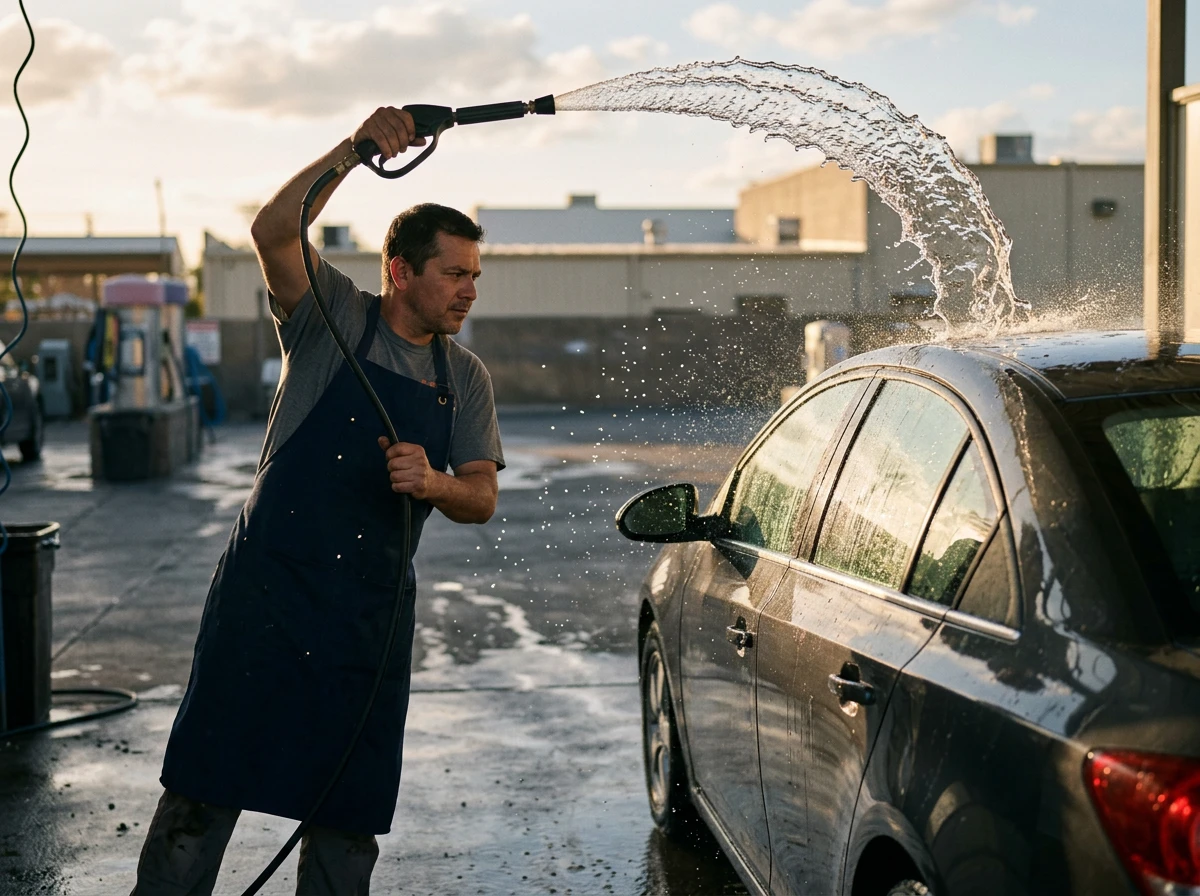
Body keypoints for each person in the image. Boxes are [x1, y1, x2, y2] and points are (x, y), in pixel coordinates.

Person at [130, 106, 504, 895]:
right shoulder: (330, 316)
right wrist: (356, 150)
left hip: (366, 623)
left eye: (475, 275)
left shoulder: (463, 378)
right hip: (264, 600)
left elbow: (480, 497)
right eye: (454, 273)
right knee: (202, 793)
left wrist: (436, 483)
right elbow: (273, 231)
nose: (470, 291)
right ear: (400, 270)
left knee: (347, 819)